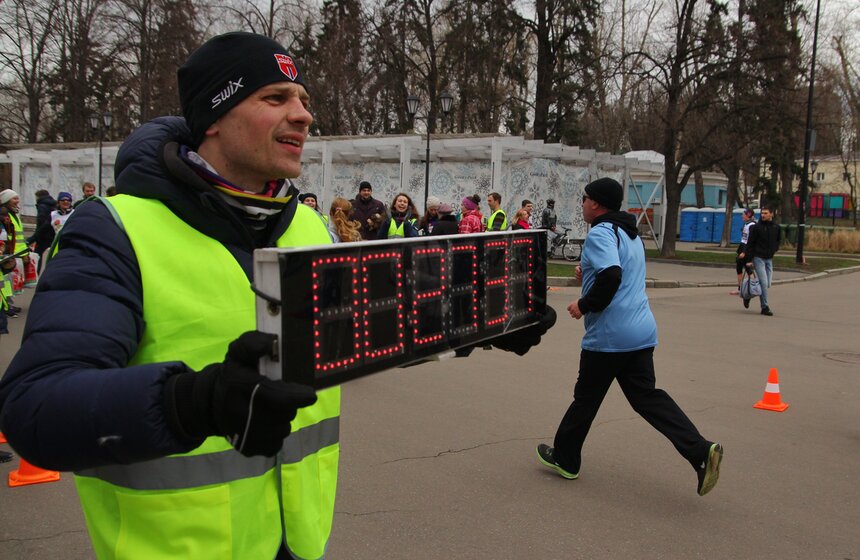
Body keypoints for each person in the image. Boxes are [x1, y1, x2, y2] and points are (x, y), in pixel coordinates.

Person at [0, 32, 340, 560]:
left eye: (303, 100)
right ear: (213, 118)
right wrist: (190, 403)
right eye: (275, 98)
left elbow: (371, 332)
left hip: (298, 542)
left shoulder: (311, 227)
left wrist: (494, 320)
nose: (303, 116)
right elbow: (35, 408)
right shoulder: (116, 229)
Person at [536, 177, 723, 497]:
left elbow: (612, 275)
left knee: (586, 399)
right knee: (646, 397)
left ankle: (566, 459)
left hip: (610, 336)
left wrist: (584, 303)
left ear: (596, 203)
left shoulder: (600, 232)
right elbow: (614, 271)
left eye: (584, 198)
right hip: (641, 330)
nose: (581, 203)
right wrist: (587, 274)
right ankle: (700, 450)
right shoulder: (630, 233)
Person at [745, 205, 781, 316]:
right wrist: (749, 259)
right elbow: (750, 244)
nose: (763, 215)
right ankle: (764, 307)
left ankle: (748, 295)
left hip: (769, 258)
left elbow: (778, 241)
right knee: (763, 283)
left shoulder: (776, 227)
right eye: (762, 213)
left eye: (766, 213)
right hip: (758, 258)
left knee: (767, 284)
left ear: (771, 214)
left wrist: (774, 250)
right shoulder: (756, 227)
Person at [27, 189, 57, 267]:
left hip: (43, 237)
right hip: (52, 235)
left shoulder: (42, 206)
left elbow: (42, 223)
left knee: (38, 258)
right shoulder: (54, 205)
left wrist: (34, 238)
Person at [732, 208, 756, 296]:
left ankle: (753, 288)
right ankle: (740, 288)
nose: (742, 216)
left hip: (747, 250)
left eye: (744, 214)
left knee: (748, 269)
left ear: (748, 215)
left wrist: (744, 252)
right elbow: (744, 238)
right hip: (742, 247)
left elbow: (750, 240)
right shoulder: (747, 224)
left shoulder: (752, 226)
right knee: (739, 268)